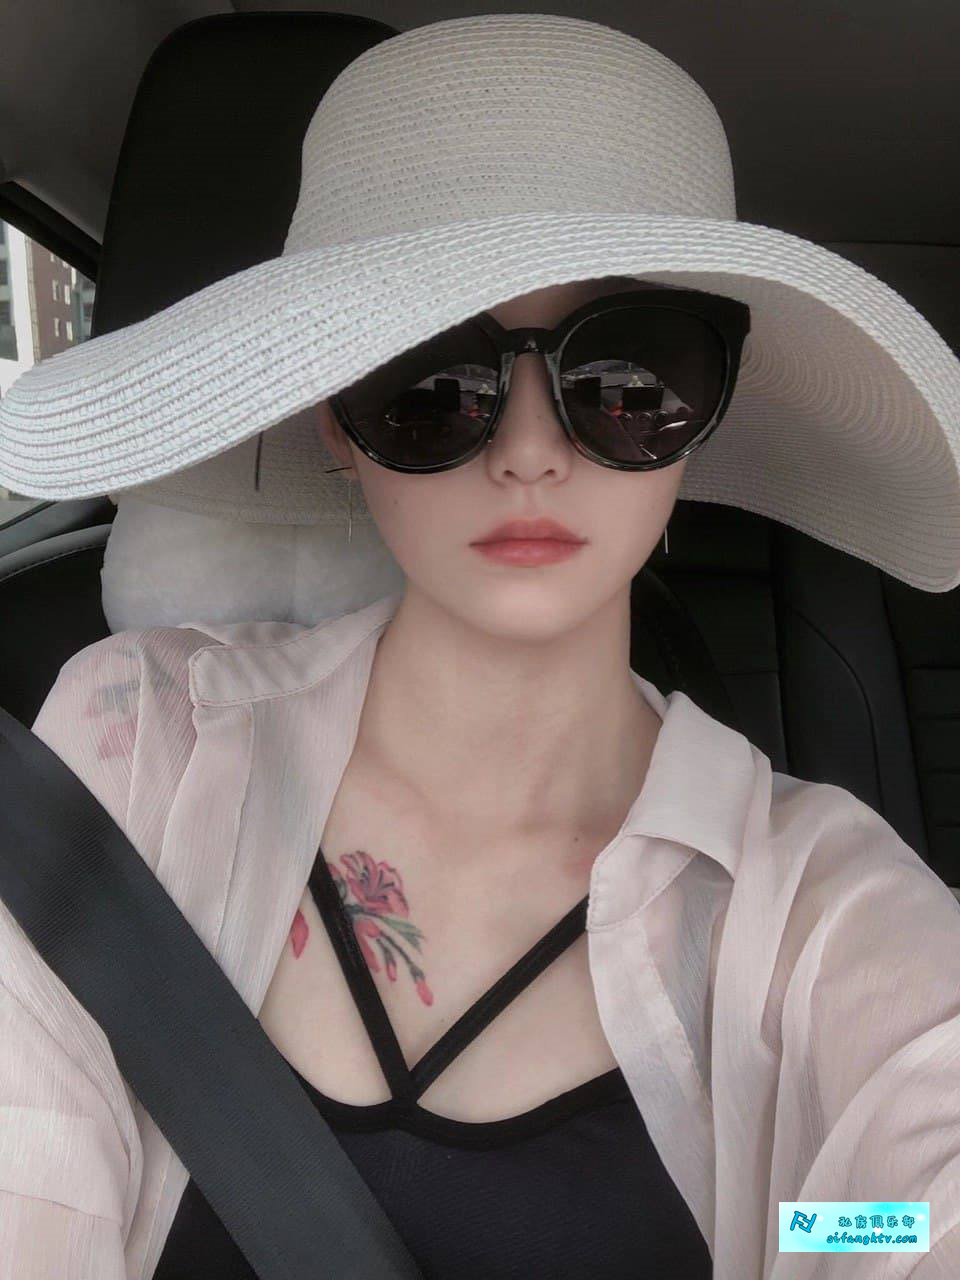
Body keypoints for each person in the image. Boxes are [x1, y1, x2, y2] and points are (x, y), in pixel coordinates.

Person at [2, 12, 960, 1280]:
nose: (528, 450)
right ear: (334, 416)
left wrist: (800, 1230)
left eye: (627, 373)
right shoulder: (137, 748)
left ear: (709, 407)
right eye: (431, 381)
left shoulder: (822, 906)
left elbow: (906, 1212)